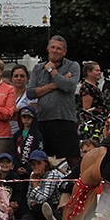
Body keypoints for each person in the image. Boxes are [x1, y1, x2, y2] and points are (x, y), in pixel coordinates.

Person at [26, 35, 82, 167]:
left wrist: (52, 71)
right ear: (48, 48)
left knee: (72, 157)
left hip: (65, 119)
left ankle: (77, 184)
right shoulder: (38, 68)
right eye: (53, 47)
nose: (55, 50)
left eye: (59, 48)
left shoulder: (73, 66)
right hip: (43, 120)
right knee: (44, 159)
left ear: (64, 52)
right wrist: (56, 83)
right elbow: (30, 92)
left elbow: (69, 86)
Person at [25, 149, 64, 220]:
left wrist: (35, 183)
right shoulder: (33, 174)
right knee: (26, 218)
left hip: (56, 206)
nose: (36, 167)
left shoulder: (53, 174)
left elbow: (44, 198)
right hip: (41, 206)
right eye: (33, 164)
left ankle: (56, 219)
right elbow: (29, 197)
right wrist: (32, 202)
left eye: (39, 164)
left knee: (42, 206)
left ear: (45, 163)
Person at [76, 61, 107, 141]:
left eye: (99, 70)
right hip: (93, 125)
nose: (99, 72)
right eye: (97, 70)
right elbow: (87, 110)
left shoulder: (94, 87)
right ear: (89, 72)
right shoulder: (87, 88)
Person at [12, 105, 44, 178]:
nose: (26, 120)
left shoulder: (37, 134)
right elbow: (14, 151)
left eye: (29, 117)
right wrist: (17, 167)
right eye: (24, 117)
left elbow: (40, 149)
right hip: (18, 167)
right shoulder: (17, 135)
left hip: (32, 167)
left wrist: (29, 168)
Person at [7, 64, 33, 135]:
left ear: (27, 78)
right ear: (11, 78)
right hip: (5, 132)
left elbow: (30, 112)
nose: (19, 78)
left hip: (23, 133)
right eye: (16, 76)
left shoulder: (30, 94)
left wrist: (8, 112)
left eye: (22, 76)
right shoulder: (6, 93)